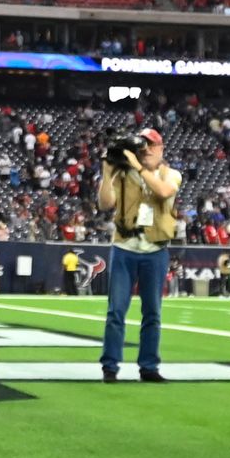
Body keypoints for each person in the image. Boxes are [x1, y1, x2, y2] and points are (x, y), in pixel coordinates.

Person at [96, 128, 181, 384]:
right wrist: (107, 173)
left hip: (155, 249)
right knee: (116, 311)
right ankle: (110, 367)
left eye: (149, 146)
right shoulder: (124, 173)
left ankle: (149, 367)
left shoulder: (171, 174)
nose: (144, 151)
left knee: (152, 312)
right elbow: (105, 204)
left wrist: (140, 168)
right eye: (141, 147)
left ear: (160, 148)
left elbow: (165, 192)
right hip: (124, 246)